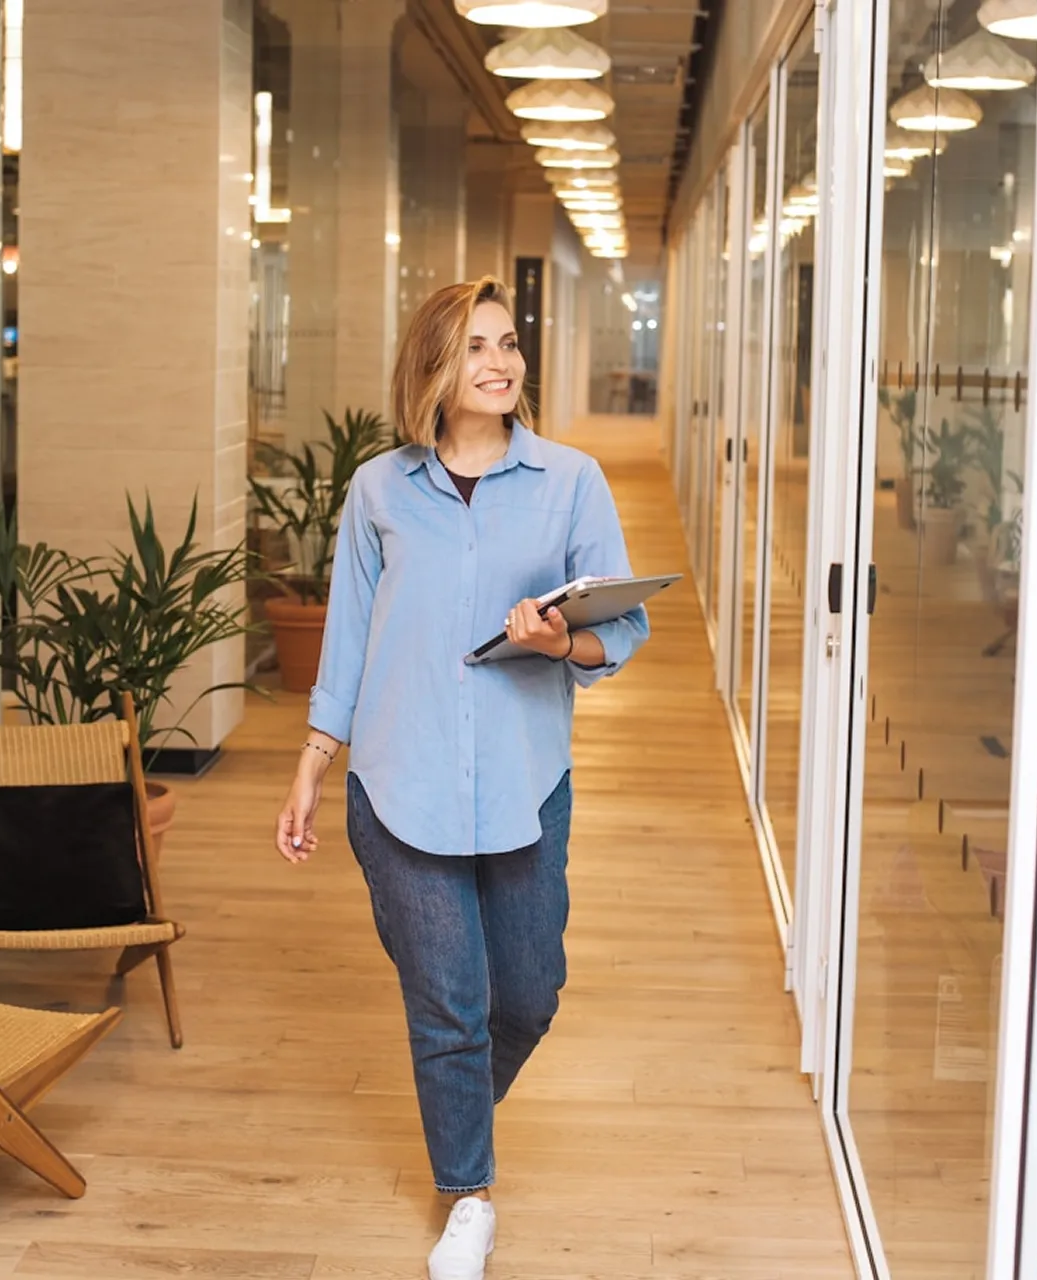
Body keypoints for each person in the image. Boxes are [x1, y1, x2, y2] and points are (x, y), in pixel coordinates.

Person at [275, 276, 649, 1280]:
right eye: (475, 346)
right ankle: (469, 1194)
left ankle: (458, 1121)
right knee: (448, 1002)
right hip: (400, 784)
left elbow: (624, 628)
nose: (499, 363)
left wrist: (562, 635)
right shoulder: (379, 490)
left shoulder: (570, 481)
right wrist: (314, 764)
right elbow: (348, 637)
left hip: (527, 781)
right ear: (433, 368)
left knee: (526, 995)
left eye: (509, 342)